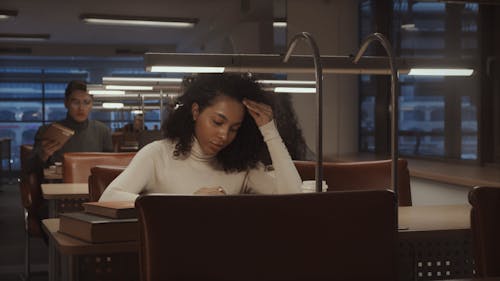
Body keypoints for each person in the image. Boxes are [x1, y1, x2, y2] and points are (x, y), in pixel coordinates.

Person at [99, 74, 302, 201]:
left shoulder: (241, 164)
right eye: (217, 122)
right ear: (196, 112)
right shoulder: (158, 155)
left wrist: (269, 131)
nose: (224, 135)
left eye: (234, 128)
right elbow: (109, 197)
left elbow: (294, 198)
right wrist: (187, 203)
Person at [30, 80, 113, 170]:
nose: (81, 108)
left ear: (92, 104)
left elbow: (110, 165)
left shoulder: (102, 130)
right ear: (66, 103)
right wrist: (43, 156)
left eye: (86, 102)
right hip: (58, 182)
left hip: (92, 180)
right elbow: (30, 170)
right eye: (76, 102)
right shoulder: (47, 131)